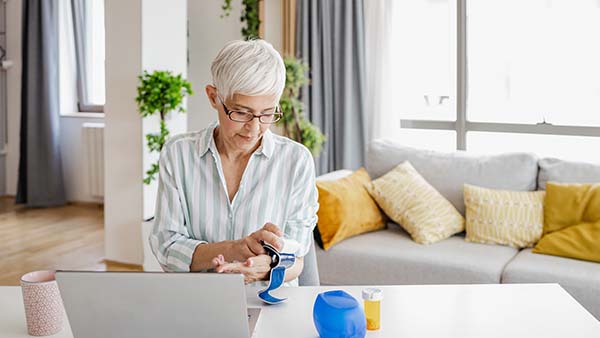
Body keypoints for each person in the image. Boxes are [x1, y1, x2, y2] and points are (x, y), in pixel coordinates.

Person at [149, 39, 318, 286]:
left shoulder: (296, 161)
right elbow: (167, 249)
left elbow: (297, 260)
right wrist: (235, 249)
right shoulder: (179, 154)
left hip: (267, 303)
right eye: (241, 112)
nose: (254, 128)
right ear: (214, 97)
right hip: (200, 301)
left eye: (268, 113)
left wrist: (267, 267)